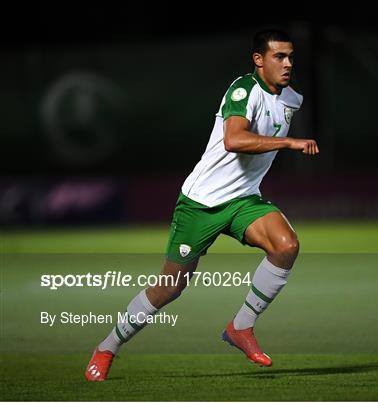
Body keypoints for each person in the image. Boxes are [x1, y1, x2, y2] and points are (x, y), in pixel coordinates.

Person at [85, 28, 319, 381]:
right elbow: (234, 139)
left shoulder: (291, 98)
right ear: (259, 60)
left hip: (243, 199)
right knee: (170, 287)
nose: (288, 63)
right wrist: (288, 143)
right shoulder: (244, 90)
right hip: (202, 203)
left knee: (286, 246)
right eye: (279, 57)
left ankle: (241, 327)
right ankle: (106, 348)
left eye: (290, 57)